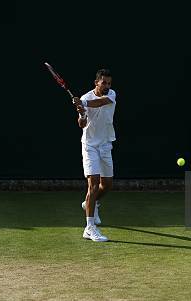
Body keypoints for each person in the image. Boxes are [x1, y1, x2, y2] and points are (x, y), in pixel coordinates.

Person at [72, 69, 116, 242]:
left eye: (109, 83)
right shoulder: (85, 98)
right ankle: (89, 228)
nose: (107, 86)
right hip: (89, 146)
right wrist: (81, 112)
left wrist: (83, 104)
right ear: (96, 82)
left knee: (108, 185)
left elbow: (100, 103)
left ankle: (91, 203)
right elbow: (82, 124)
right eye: (103, 82)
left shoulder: (111, 95)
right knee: (94, 184)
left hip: (105, 145)